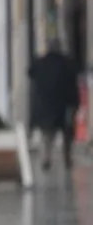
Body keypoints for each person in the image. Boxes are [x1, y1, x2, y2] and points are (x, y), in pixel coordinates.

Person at [28, 38, 80, 170]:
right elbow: (74, 83)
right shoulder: (67, 63)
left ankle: (47, 157)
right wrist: (75, 104)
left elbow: (30, 72)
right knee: (67, 132)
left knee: (47, 133)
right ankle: (67, 158)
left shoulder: (41, 63)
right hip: (65, 104)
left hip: (46, 104)